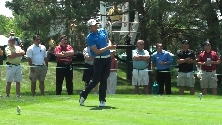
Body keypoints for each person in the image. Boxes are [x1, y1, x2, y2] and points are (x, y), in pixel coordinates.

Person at [79, 19, 116, 107]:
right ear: (90, 27)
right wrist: (108, 48)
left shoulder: (102, 31)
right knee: (96, 80)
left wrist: (110, 46)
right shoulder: (90, 38)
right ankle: (84, 94)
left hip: (107, 59)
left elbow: (108, 40)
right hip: (98, 60)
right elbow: (97, 52)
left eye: (96, 24)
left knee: (104, 80)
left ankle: (102, 100)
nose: (95, 26)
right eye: (93, 25)